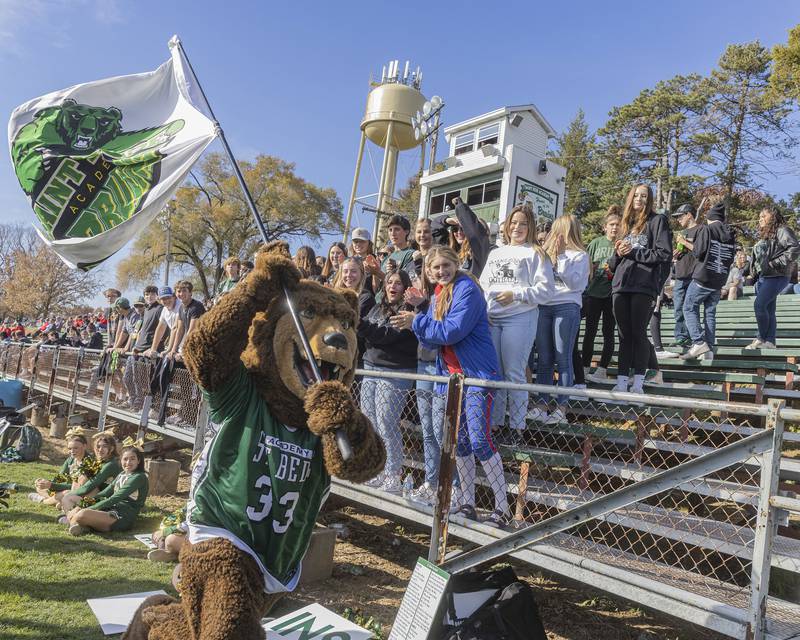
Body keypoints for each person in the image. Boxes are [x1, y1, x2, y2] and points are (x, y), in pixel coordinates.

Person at [393, 245, 508, 528]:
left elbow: (452, 331)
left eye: (446, 265)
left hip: (478, 374)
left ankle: (502, 508)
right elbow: (433, 342)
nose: (441, 271)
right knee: (463, 442)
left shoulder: (467, 289)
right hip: (453, 379)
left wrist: (417, 321)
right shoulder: (437, 296)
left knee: (480, 439)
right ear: (429, 273)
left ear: (456, 263)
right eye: (435, 268)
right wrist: (420, 321)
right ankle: (467, 502)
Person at [479, 205, 553, 443]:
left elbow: (546, 291)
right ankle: (497, 424)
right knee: (496, 374)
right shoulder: (495, 253)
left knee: (514, 373)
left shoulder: (536, 253)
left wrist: (517, 294)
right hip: (493, 319)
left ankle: (517, 427)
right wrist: (484, 310)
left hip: (519, 317)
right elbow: (482, 287)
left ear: (530, 226)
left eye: (523, 223)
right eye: (513, 223)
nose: (517, 228)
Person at [608, 184, 672, 395]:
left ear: (650, 199)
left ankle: (638, 383)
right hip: (621, 285)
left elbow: (663, 254)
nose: (639, 198)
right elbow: (614, 263)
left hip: (643, 285)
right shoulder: (625, 223)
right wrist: (618, 252)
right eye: (636, 195)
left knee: (638, 334)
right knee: (624, 335)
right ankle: (621, 381)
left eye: (644, 196)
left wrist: (634, 252)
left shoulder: (657, 220)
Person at [358, 270, 418, 494]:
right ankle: (377, 470)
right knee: (370, 423)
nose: (393, 286)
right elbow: (369, 335)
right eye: (389, 282)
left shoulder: (407, 311)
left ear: (405, 288)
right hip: (371, 368)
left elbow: (385, 335)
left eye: (398, 283)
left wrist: (359, 324)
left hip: (395, 371)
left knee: (386, 422)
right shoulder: (376, 307)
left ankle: (393, 474)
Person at [531, 215, 590, 424]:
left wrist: (562, 257)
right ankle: (541, 405)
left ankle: (562, 408)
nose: (558, 236)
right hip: (544, 306)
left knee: (563, 358)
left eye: (562, 231)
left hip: (567, 306)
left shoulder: (580, 256)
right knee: (545, 359)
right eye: (557, 231)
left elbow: (575, 285)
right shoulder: (545, 254)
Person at [679, 202, 736, 360]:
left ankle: (698, 342)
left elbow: (698, 252)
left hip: (703, 277)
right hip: (719, 279)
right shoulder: (730, 233)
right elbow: (731, 258)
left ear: (710, 217)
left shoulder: (706, 229)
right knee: (710, 314)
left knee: (688, 307)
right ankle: (709, 350)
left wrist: (685, 243)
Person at [64, 445, 149, 536]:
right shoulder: (122, 474)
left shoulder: (139, 477)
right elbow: (105, 493)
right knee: (68, 498)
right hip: (110, 507)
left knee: (83, 513)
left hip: (123, 514)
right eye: (125, 459)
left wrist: (84, 508)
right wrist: (82, 505)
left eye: (132, 459)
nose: (128, 462)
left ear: (138, 461)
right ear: (121, 460)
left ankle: (73, 522)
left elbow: (114, 498)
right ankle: (80, 525)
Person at [746, 208, 800, 349]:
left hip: (778, 275)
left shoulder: (782, 230)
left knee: (759, 305)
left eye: (764, 215)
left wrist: (775, 263)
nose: (760, 218)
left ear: (773, 217)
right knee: (769, 309)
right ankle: (769, 342)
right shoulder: (768, 234)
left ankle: (761, 338)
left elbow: (794, 248)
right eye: (759, 216)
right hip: (766, 276)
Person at [583, 207, 620, 383]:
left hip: (613, 294)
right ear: (605, 227)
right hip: (594, 293)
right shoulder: (596, 243)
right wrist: (593, 270)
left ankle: (602, 369)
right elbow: (585, 267)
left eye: (618, 225)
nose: (615, 228)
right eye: (612, 224)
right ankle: (584, 367)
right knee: (590, 331)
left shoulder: (622, 244)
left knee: (608, 332)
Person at [59, 434, 121, 514]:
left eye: (104, 446)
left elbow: (90, 485)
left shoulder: (111, 464)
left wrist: (69, 494)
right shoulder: (101, 461)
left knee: (67, 497)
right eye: (98, 447)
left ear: (112, 448)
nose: (100, 449)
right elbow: (79, 480)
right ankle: (70, 507)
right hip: (98, 495)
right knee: (80, 478)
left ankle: (69, 513)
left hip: (107, 500)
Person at [332, 257, 375, 367]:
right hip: (335, 353)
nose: (349, 275)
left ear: (361, 274)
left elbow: (356, 327)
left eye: (353, 271)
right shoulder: (334, 296)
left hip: (356, 357)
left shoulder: (366, 298)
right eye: (345, 271)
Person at [29, 434, 93, 506]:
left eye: (75, 448)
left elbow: (78, 487)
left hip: (80, 493)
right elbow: (60, 477)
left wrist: (52, 485)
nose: (72, 451)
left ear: (84, 446)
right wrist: (47, 483)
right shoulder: (71, 459)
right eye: (70, 448)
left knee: (66, 493)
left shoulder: (89, 462)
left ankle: (42, 500)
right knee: (39, 482)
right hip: (65, 488)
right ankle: (58, 501)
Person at [670, 203, 700, 350]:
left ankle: (695, 339)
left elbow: (701, 251)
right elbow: (684, 250)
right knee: (678, 308)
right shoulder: (682, 232)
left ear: (689, 214)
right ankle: (681, 337)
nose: (678, 220)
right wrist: (677, 251)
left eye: (680, 216)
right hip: (680, 274)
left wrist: (684, 242)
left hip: (694, 275)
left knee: (691, 308)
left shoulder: (701, 230)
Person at [446, 199, 490, 277]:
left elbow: (475, 234)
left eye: (463, 229)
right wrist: (445, 220)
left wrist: (460, 206)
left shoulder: (489, 250)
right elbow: (433, 229)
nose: (459, 232)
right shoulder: (452, 251)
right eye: (455, 229)